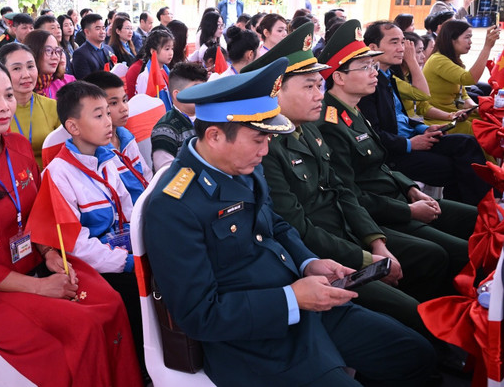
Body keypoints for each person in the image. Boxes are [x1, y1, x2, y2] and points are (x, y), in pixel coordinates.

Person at [144, 57, 435, 387]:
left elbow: (276, 224)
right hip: (258, 340)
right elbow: (201, 316)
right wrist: (291, 299)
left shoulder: (243, 165)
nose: (266, 151)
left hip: (307, 304)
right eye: (258, 139)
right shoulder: (173, 207)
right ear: (214, 136)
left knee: (415, 353)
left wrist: (309, 261)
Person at [0, 57, 142, 386]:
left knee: (109, 302)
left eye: (8, 95)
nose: (4, 106)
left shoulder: (19, 146)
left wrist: (50, 254)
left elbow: (38, 218)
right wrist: (40, 287)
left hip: (35, 262)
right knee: (82, 325)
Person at [244, 23, 448, 338]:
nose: (319, 94)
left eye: (318, 85)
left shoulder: (309, 126)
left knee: (432, 260)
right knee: (411, 315)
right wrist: (367, 257)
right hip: (326, 256)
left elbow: (341, 190)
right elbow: (298, 226)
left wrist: (376, 243)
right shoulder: (266, 147)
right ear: (276, 90)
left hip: (352, 235)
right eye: (309, 86)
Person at [318, 20, 474, 299]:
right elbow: (352, 193)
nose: (373, 73)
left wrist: (412, 189)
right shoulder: (330, 122)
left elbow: (381, 165)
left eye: (373, 66)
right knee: (448, 254)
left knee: (474, 220)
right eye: (364, 67)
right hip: (383, 211)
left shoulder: (352, 111)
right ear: (339, 77)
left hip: (398, 196)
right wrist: (408, 210)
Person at [44, 81, 145, 373]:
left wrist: (140, 246)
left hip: (118, 249)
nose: (109, 121)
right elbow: (76, 245)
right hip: (88, 264)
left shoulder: (106, 158)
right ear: (73, 127)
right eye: (98, 115)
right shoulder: (58, 174)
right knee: (131, 293)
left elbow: (127, 208)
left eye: (107, 113)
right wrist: (126, 262)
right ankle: (136, 366)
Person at [359, 21, 489, 206]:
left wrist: (423, 128)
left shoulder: (388, 77)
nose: (402, 48)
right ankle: (475, 213)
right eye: (394, 42)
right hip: (395, 150)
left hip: (412, 137)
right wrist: (410, 143)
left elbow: (403, 117)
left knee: (467, 144)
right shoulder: (369, 83)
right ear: (373, 47)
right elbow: (374, 133)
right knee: (456, 166)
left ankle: (478, 209)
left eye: (403, 42)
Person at [84, 71, 152, 203]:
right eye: (114, 103)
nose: (124, 108)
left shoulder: (126, 137)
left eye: (125, 100)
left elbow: (146, 175)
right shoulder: (96, 151)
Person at [422, 20, 500, 134]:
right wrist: (487, 47)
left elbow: (463, 95)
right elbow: (470, 79)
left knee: (493, 121)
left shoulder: (452, 60)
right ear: (451, 39)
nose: (470, 42)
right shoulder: (438, 60)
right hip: (440, 118)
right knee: (489, 133)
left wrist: (476, 108)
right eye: (467, 37)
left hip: (456, 114)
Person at [0, 42, 60, 168]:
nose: (26, 75)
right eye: (16, 68)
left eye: (30, 66)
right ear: (2, 72)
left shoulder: (54, 107)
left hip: (49, 180)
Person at [150, 62, 208, 172]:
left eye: (204, 89)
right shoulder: (165, 129)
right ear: (177, 95)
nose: (203, 94)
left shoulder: (208, 118)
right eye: (197, 90)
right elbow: (167, 174)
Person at [26, 29, 75, 100]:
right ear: (34, 52)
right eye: (48, 50)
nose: (55, 57)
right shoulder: (24, 85)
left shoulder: (68, 82)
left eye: (57, 51)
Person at [134, 27, 174, 106]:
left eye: (172, 48)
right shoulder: (145, 77)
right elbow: (142, 105)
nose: (171, 53)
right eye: (167, 49)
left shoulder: (166, 72)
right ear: (153, 51)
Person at [71, 13, 116, 80]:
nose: (102, 32)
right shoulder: (80, 54)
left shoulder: (108, 49)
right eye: (98, 29)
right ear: (87, 32)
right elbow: (85, 81)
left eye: (103, 28)